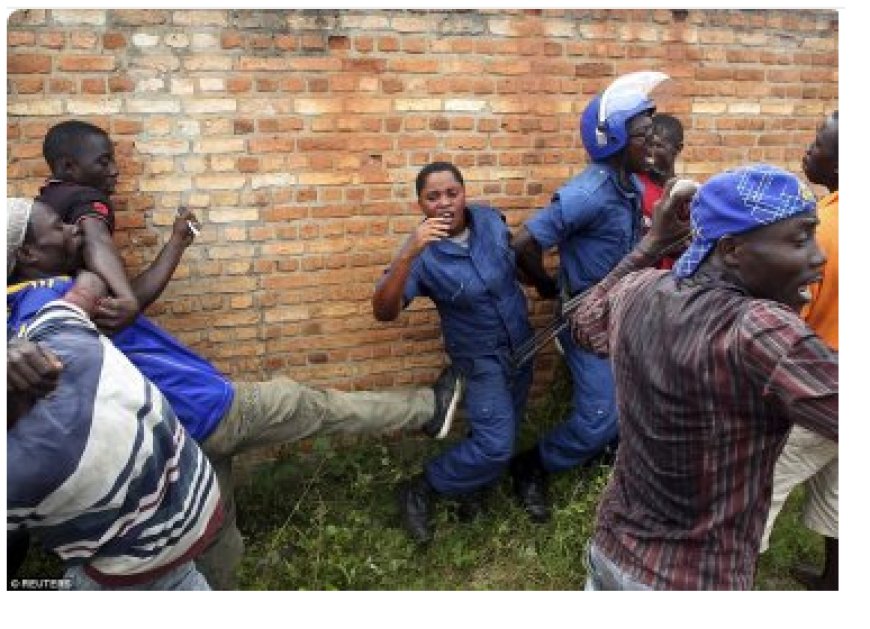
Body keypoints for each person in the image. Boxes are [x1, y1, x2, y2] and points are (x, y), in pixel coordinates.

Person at [6, 197, 464, 589]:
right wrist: (95, 238)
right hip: (211, 409)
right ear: (26, 253)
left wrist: (173, 243)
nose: (73, 230)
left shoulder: (25, 307)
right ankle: (429, 408)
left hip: (182, 432)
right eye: (58, 227)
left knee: (214, 527)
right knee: (316, 406)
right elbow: (104, 257)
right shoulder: (49, 302)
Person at [567, 164, 836, 589]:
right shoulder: (760, 328)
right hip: (691, 580)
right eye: (800, 239)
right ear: (730, 250)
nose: (818, 256)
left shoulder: (638, 290)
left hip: (612, 554)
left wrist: (650, 245)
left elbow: (583, 320)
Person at [508, 71, 666, 522]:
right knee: (600, 415)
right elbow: (523, 244)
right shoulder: (588, 193)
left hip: (625, 308)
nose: (651, 143)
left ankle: (609, 455)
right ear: (613, 140)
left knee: (631, 401)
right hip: (587, 316)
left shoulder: (630, 186)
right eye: (642, 135)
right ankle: (531, 466)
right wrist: (544, 285)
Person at [372, 162, 556, 544]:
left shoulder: (489, 220)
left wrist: (540, 281)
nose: (444, 203)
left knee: (502, 426)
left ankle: (474, 489)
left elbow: (512, 261)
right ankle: (421, 487)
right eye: (432, 197)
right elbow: (384, 311)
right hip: (479, 359)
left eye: (451, 193)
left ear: (464, 193)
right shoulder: (421, 257)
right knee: (496, 445)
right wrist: (409, 252)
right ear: (420, 204)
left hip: (521, 344)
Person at [7, 268, 224, 590]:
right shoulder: (58, 334)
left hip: (163, 559)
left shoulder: (57, 333)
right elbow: (92, 281)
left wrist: (124, 302)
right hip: (129, 571)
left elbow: (91, 281)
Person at [760, 111, 839, 590]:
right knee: (843, 493)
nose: (809, 150)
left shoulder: (822, 231)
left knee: (758, 490)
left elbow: (792, 320)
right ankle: (837, 588)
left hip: (820, 382)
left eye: (818, 142)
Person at [35, 119, 200, 332]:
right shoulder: (85, 197)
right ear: (68, 166)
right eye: (103, 162)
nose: (114, 170)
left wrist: (177, 242)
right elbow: (97, 239)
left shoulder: (47, 200)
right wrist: (125, 297)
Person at [636, 113, 685, 269]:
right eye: (648, 145)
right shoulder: (634, 187)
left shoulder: (683, 194)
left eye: (658, 146)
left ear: (678, 148)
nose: (650, 152)